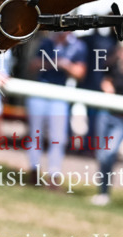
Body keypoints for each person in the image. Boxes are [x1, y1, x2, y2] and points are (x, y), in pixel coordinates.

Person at [25, 32, 87, 189]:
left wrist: (65, 65)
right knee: (35, 134)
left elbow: (80, 73)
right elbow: (32, 65)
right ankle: (34, 171)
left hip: (60, 93)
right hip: (41, 90)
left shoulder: (78, 46)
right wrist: (53, 63)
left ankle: (53, 175)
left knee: (58, 137)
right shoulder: (46, 42)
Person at [90, 44, 123, 206]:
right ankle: (103, 192)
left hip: (122, 120)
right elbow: (105, 83)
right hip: (105, 115)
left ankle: (104, 192)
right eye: (122, 50)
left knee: (108, 153)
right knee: (101, 155)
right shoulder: (111, 68)